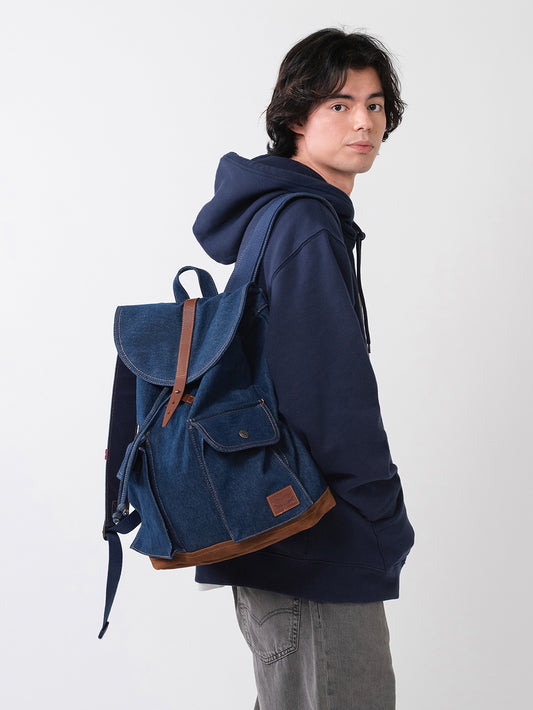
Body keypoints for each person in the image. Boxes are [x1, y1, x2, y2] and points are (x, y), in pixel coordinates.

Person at [192, 27, 415, 710]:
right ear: (295, 117)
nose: (363, 123)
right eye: (339, 105)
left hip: (272, 530)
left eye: (374, 105)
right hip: (317, 538)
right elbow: (327, 391)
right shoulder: (305, 223)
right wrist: (380, 510)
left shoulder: (278, 216)